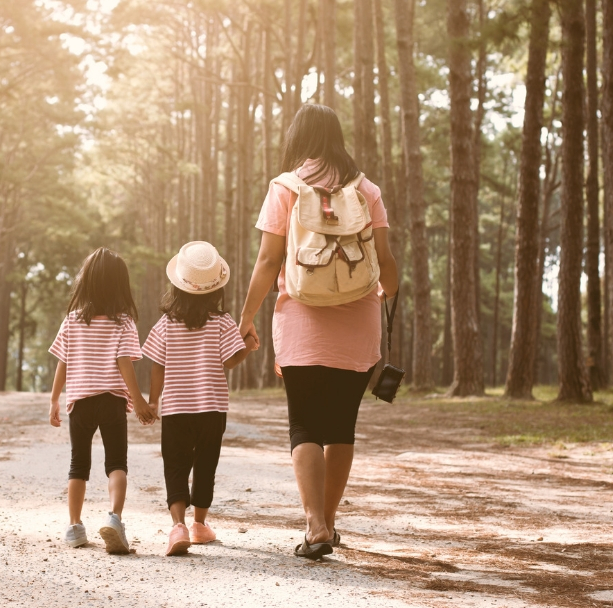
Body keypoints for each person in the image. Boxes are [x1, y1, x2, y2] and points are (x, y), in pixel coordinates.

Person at [238, 104, 400, 559]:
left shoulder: (285, 187)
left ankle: (315, 526)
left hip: (301, 320)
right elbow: (385, 263)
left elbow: (269, 262)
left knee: (304, 423)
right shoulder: (367, 190)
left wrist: (247, 316)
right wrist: (384, 298)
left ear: (299, 138)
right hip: (358, 321)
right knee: (341, 427)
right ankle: (329, 521)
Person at [142, 241, 258, 557]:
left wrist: (153, 402)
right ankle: (199, 525)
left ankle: (177, 525)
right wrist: (247, 344)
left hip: (177, 408)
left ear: (178, 285)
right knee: (206, 464)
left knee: (175, 465)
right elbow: (230, 361)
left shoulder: (166, 323)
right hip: (212, 408)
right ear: (214, 288)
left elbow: (157, 366)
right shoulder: (221, 321)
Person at [48, 248, 159, 555]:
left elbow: (63, 362)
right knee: (116, 464)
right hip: (111, 400)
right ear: (119, 286)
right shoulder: (123, 323)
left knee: (78, 465)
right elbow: (125, 363)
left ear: (86, 283)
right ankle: (115, 519)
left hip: (80, 402)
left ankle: (74, 526)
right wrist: (139, 402)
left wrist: (55, 399)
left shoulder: (72, 321)